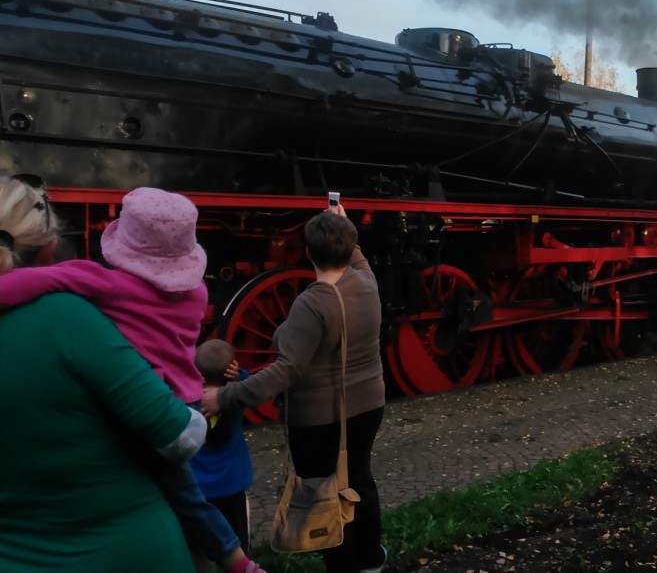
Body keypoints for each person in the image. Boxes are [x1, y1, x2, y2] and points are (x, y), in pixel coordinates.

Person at [0, 186, 263, 573]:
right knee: (185, 491)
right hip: (184, 397)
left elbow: (29, 283)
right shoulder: (196, 293)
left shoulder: (105, 285)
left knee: (183, 492)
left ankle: (234, 559)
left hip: (153, 403)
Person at [203, 205, 388, 573]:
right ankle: (370, 559)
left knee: (324, 495)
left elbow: (286, 370)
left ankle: (342, 566)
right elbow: (357, 256)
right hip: (369, 405)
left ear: (307, 253)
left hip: (321, 419)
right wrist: (341, 223)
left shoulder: (312, 303)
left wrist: (224, 396)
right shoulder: (366, 281)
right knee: (359, 479)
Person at [192, 340, 255, 555]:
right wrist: (238, 376)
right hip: (233, 484)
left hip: (199, 488)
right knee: (239, 543)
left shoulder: (190, 402)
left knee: (200, 548)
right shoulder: (235, 397)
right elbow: (250, 385)